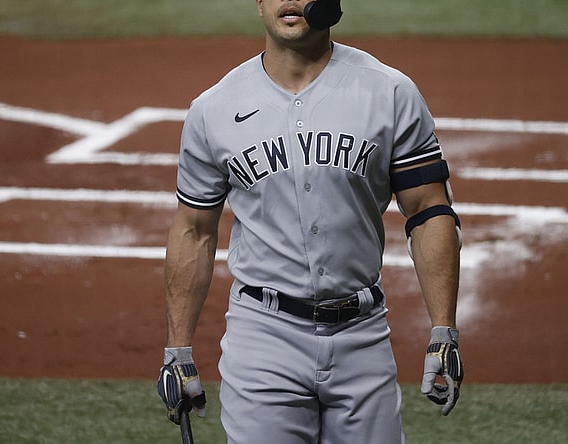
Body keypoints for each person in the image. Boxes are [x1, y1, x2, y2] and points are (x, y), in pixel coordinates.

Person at [157, 1, 464, 442]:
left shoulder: (389, 92)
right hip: (263, 339)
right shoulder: (214, 108)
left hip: (362, 336)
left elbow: (428, 209)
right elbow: (194, 230)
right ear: (259, 2)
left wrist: (443, 328)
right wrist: (178, 349)